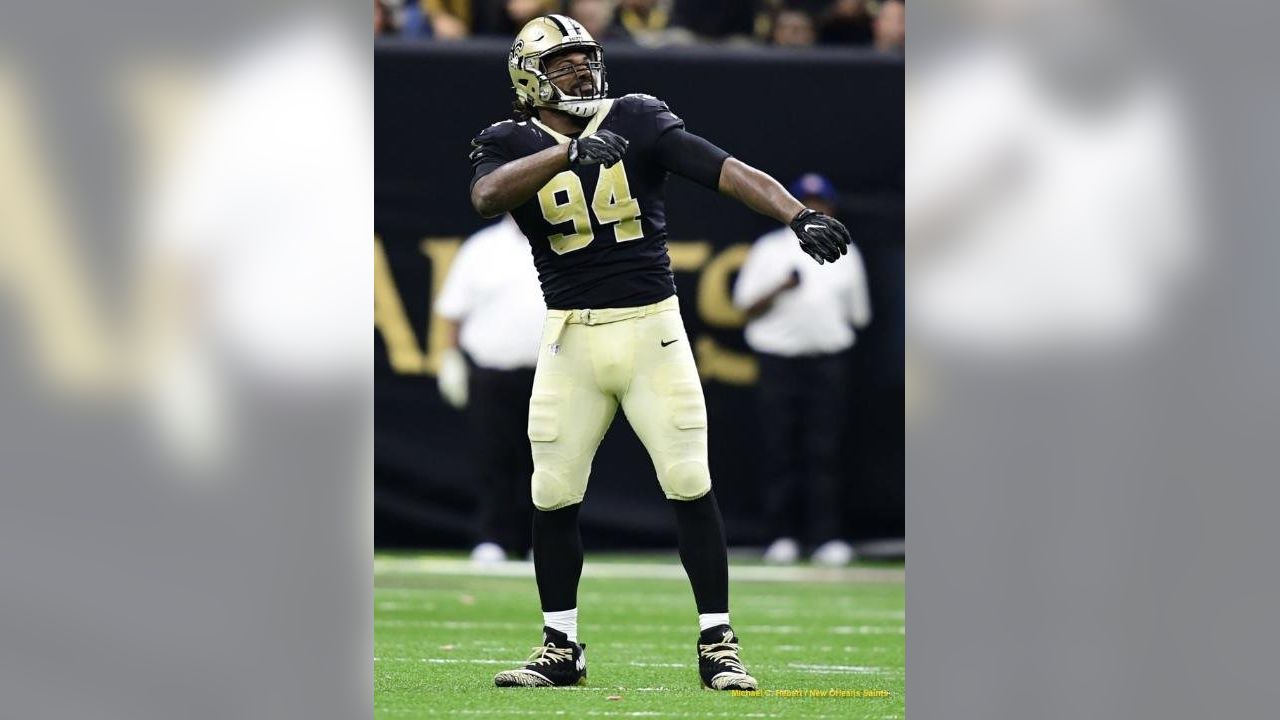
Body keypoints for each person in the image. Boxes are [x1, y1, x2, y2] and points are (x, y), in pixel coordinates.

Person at [467, 14, 853, 690]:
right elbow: (485, 195)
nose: (581, 72)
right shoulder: (508, 140)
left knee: (687, 480)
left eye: (585, 59)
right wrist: (566, 153)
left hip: (652, 330)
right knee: (552, 492)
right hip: (571, 336)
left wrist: (797, 214)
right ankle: (561, 646)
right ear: (529, 79)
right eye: (563, 64)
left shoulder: (637, 117)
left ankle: (718, 644)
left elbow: (724, 169)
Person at [732, 173, 871, 567]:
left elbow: (857, 315)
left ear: (833, 207)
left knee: (824, 450)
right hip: (778, 361)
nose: (815, 209)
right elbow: (744, 307)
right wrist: (780, 289)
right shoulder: (769, 249)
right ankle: (781, 536)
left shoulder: (847, 250)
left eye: (820, 202)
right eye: (806, 201)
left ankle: (826, 537)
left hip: (827, 363)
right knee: (779, 448)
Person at [435, 214, 547, 564]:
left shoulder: (563, 241)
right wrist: (450, 357)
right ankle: (493, 536)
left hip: (551, 372)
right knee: (494, 457)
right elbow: (452, 311)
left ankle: (541, 540)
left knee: (546, 460)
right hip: (492, 372)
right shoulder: (482, 248)